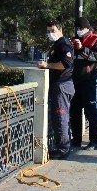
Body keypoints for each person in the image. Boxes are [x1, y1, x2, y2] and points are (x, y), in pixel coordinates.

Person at [37, 21, 75, 159]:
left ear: (60, 30)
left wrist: (47, 65)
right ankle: (62, 147)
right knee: (60, 118)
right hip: (62, 85)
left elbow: (66, 64)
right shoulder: (58, 44)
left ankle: (63, 150)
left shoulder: (63, 44)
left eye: (52, 30)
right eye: (48, 31)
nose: (50, 34)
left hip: (62, 86)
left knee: (61, 118)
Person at [69, 16, 97, 150]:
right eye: (77, 28)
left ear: (87, 28)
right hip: (75, 80)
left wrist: (82, 49)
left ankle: (94, 141)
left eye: (81, 28)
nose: (78, 31)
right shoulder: (74, 39)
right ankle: (76, 139)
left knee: (91, 112)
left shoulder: (96, 40)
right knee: (75, 112)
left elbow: (96, 57)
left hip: (89, 80)